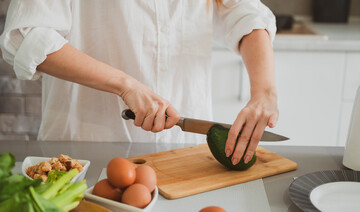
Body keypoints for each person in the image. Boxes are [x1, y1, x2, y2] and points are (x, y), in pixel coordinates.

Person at [0, 0, 278, 166]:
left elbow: (247, 14)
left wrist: (264, 92)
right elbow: (25, 36)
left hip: (184, 154)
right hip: (84, 151)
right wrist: (125, 85)